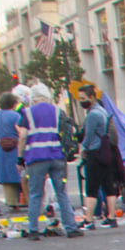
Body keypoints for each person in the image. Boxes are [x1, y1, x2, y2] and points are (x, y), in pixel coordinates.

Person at [18, 84, 82, 239]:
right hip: (57, 155)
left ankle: (33, 230)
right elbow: (69, 130)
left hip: (36, 157)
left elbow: (22, 136)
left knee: (35, 194)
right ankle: (71, 227)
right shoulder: (57, 111)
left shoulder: (27, 113)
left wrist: (20, 157)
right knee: (61, 193)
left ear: (32, 98)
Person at [77, 86, 121, 228]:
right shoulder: (103, 111)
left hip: (95, 152)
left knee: (92, 188)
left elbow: (88, 136)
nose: (81, 101)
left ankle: (89, 220)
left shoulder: (92, 115)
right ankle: (111, 217)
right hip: (106, 151)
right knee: (109, 186)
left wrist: (82, 149)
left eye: (83, 98)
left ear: (92, 97)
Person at [0, 92, 26, 216]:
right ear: (13, 103)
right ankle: (26, 200)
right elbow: (21, 131)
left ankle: (11, 202)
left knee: (6, 177)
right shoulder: (17, 116)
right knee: (21, 174)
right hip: (15, 147)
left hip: (1, 148)